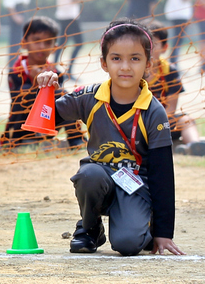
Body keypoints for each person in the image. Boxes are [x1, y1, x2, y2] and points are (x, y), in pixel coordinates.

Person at [34, 20, 182, 256]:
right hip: (100, 178)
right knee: (88, 174)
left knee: (128, 244)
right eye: (116, 58)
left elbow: (163, 175)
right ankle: (90, 227)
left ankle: (142, 223)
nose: (125, 66)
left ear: (148, 64)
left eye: (135, 58)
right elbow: (46, 120)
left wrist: (163, 232)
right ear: (104, 63)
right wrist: (46, 88)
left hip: (135, 186)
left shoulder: (154, 112)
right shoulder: (89, 97)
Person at [0, 16, 82, 149]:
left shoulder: (56, 72)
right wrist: (34, 82)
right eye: (36, 41)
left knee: (64, 95)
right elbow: (16, 102)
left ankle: (76, 139)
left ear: (54, 47)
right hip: (22, 129)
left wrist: (50, 83)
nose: (42, 47)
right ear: (24, 43)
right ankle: (14, 142)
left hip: (48, 126)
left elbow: (57, 102)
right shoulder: (15, 72)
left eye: (47, 42)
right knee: (25, 90)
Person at [145, 22, 201, 150]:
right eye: (145, 43)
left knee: (185, 120)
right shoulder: (132, 71)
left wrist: (155, 125)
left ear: (164, 48)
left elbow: (171, 109)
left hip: (162, 123)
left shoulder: (169, 71)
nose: (149, 48)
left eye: (154, 44)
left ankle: (194, 146)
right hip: (136, 124)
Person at [53, 0, 84, 74]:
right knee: (79, 43)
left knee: (61, 43)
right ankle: (69, 71)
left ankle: (55, 68)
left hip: (62, 15)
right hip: (71, 16)